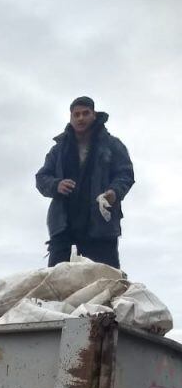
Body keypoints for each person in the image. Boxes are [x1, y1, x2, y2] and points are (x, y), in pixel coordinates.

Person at [35, 96, 135, 269]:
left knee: (105, 282)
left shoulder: (112, 145)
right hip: (63, 227)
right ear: (71, 117)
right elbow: (42, 177)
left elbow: (125, 174)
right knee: (57, 283)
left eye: (85, 113)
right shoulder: (58, 149)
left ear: (94, 115)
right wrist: (56, 185)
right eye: (76, 114)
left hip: (101, 228)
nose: (80, 118)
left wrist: (114, 192)